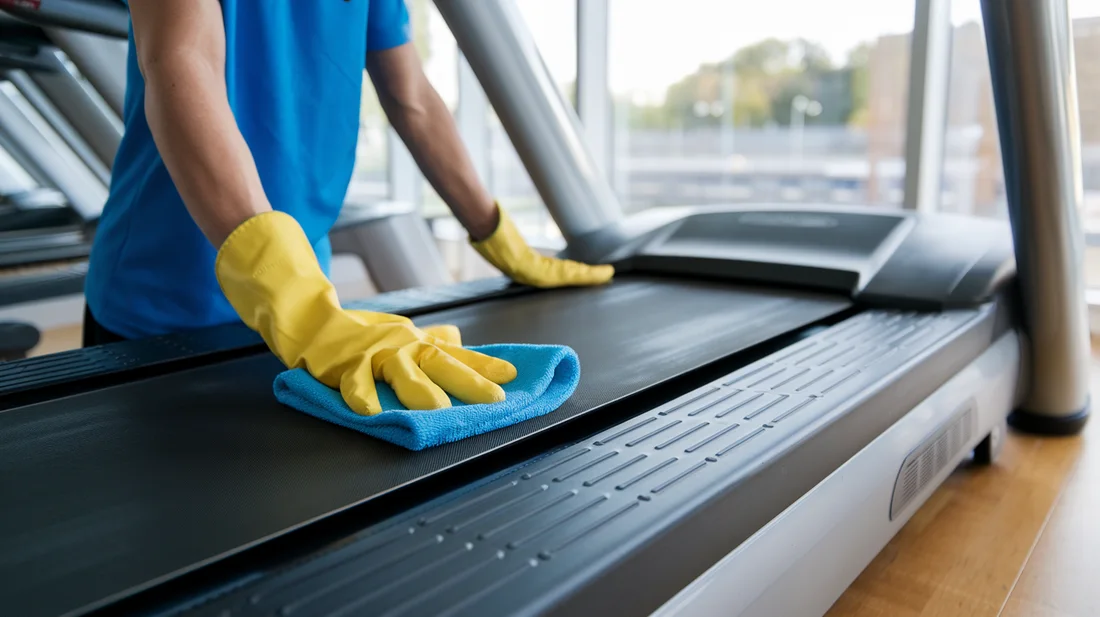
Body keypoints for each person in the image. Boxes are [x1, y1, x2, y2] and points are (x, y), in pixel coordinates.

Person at [82, 0, 614, 416]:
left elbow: (413, 99)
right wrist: (296, 302)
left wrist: (497, 235)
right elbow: (181, 58)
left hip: (311, 304)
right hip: (161, 304)